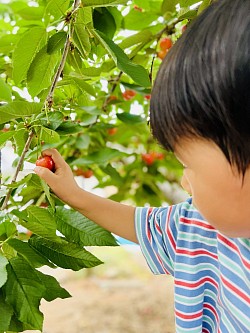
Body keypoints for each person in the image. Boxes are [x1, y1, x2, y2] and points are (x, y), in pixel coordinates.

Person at [34, 0, 250, 332]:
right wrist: (74, 195)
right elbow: (142, 225)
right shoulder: (200, 227)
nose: (185, 183)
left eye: (188, 164)